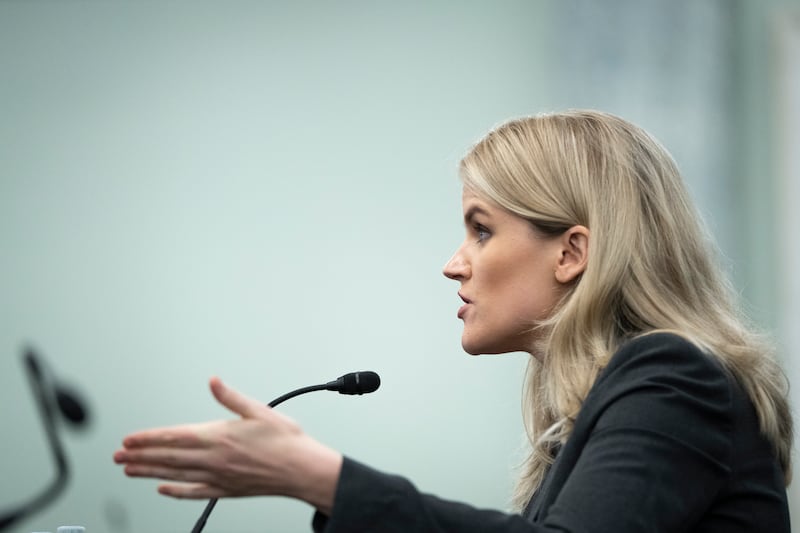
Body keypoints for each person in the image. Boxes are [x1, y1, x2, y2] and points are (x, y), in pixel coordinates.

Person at [113, 110, 793, 532]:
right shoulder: (607, 404)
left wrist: (319, 475)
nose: (453, 263)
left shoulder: (674, 378)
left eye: (480, 230)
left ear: (572, 251)